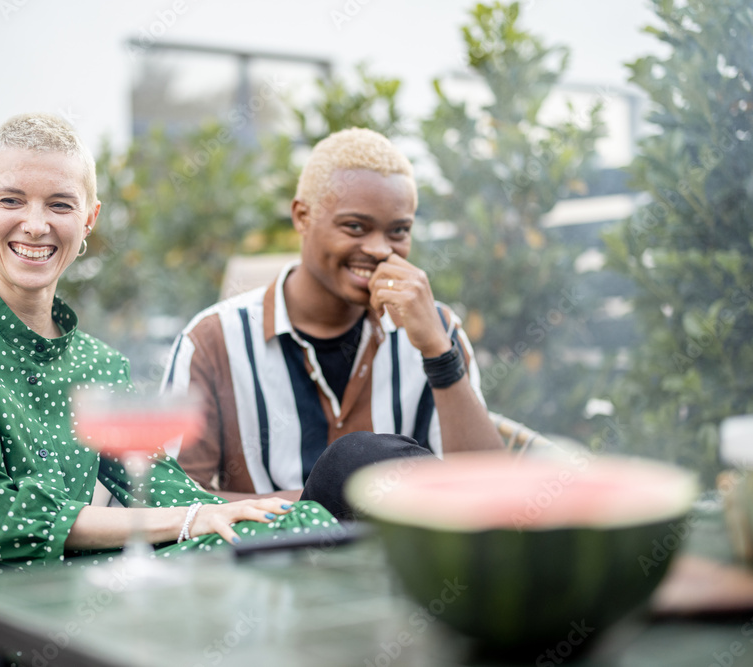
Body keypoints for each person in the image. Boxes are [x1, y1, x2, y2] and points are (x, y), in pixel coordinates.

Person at [0, 113, 334, 667]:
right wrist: (188, 522)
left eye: (59, 205)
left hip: (65, 594)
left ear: (89, 220)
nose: (35, 225)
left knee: (305, 531)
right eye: (12, 201)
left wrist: (253, 516)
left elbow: (162, 488)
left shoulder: (98, 364)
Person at [163, 128, 504, 508]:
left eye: (399, 231)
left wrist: (439, 353)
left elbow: (490, 495)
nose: (378, 249)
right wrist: (326, 503)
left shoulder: (436, 330)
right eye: (355, 227)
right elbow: (172, 503)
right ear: (302, 216)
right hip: (266, 562)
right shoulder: (213, 342)